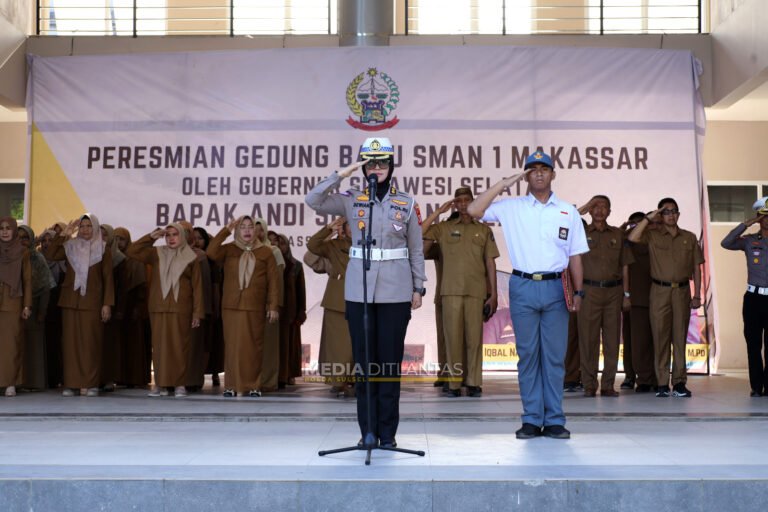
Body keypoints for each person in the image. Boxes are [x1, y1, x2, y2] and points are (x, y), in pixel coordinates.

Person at [306, 136, 426, 449]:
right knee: (364, 365)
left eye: (382, 162)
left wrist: (418, 287)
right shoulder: (352, 199)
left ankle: (388, 434)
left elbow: (415, 249)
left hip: (396, 293)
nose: (377, 168)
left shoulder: (407, 203)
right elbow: (313, 199)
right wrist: (344, 172)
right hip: (359, 294)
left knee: (388, 366)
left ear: (392, 165)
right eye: (370, 162)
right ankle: (367, 432)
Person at [468, 150, 588, 440]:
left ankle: (555, 419)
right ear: (525, 176)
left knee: (555, 357)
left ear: (552, 174)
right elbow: (474, 210)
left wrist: (580, 291)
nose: (538, 173)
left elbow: (575, 257)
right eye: (531, 169)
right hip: (522, 285)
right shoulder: (512, 206)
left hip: (556, 287)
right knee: (528, 356)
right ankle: (532, 419)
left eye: (543, 169)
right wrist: (504, 183)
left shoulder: (567, 211)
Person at [423, 187, 499, 398]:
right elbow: (419, 235)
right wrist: (438, 212)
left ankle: (473, 382)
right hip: (451, 291)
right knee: (452, 338)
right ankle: (453, 383)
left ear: (474, 203)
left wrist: (493, 294)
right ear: (454, 204)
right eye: (459, 201)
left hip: (476, 292)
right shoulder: (444, 228)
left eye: (467, 200)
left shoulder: (484, 230)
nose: (463, 204)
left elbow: (490, 263)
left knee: (474, 339)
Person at [627, 198, 704, 398]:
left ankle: (679, 382)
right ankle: (662, 383)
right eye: (666, 211)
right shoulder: (652, 235)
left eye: (673, 211)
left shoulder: (689, 236)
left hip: (682, 291)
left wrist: (697, 295)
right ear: (660, 215)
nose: (670, 215)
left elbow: (696, 266)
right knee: (660, 337)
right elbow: (633, 238)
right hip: (659, 291)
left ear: (678, 214)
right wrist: (647, 218)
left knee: (679, 338)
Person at [126, 223, 204, 398]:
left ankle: (179, 384)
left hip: (181, 308)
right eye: (168, 235)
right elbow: (132, 251)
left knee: (179, 347)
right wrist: (151, 237)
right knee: (159, 347)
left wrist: (197, 312)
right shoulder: (156, 254)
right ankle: (160, 384)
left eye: (175, 234)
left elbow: (197, 288)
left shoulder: (191, 257)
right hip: (158, 307)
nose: (171, 238)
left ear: (183, 236)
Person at [207, 215, 280, 397]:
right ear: (237, 230)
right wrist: (226, 230)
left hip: (255, 306)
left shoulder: (266, 252)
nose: (247, 230)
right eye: (242, 227)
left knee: (253, 347)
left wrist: (273, 306)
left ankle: (253, 385)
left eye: (250, 227)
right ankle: (231, 385)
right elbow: (211, 252)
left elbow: (273, 282)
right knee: (232, 347)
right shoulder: (230, 249)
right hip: (231, 306)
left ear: (256, 231)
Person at [44, 214, 114, 397]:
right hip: (70, 301)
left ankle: (90, 384)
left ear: (96, 228)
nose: (84, 229)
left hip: (92, 302)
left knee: (90, 344)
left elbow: (108, 278)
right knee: (70, 344)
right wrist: (65, 234)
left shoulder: (103, 249)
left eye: (89, 226)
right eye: (82, 226)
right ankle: (72, 384)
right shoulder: (70, 246)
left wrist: (107, 303)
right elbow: (50, 254)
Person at [575, 195, 633, 397]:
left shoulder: (618, 234)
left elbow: (625, 266)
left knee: (611, 339)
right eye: (595, 206)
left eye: (604, 207)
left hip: (613, 292)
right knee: (588, 339)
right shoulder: (580, 233)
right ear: (589, 211)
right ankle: (589, 384)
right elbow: (568, 220)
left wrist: (626, 294)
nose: (599, 210)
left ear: (610, 211)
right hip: (588, 291)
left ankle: (608, 383)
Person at [720, 196, 768, 397]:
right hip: (753, 299)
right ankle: (756, 386)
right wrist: (745, 224)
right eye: (764, 216)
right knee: (753, 343)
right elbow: (726, 242)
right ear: (758, 218)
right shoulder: (750, 241)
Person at [306, 218, 355, 396]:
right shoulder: (334, 245)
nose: (353, 227)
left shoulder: (369, 244)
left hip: (363, 298)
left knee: (360, 343)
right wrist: (328, 229)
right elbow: (313, 245)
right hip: (338, 298)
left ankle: (357, 379)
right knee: (337, 345)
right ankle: (338, 381)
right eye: (349, 224)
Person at [18, 225, 55, 391]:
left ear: (31, 240)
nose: (22, 241)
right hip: (14, 308)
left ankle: (34, 382)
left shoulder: (37, 258)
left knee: (33, 346)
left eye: (25, 238)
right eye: (18, 237)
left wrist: (42, 312)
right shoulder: (10, 257)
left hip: (33, 308)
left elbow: (46, 288)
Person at [112, 227, 150, 388]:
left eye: (122, 239)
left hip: (134, 304)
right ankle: (120, 377)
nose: (119, 243)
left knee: (135, 344)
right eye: (116, 239)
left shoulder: (135, 259)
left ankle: (135, 378)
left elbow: (141, 284)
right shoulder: (113, 258)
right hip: (118, 305)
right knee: (120, 344)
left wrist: (138, 307)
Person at [623, 212, 656, 393]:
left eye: (641, 223)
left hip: (658, 296)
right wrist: (626, 294)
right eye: (634, 224)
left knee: (655, 341)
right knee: (637, 342)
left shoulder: (654, 240)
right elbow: (625, 269)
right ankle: (640, 377)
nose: (638, 227)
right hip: (636, 298)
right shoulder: (630, 242)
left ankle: (656, 377)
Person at [0, 217, 32, 397]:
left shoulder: (23, 252)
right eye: (1, 228)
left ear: (14, 231)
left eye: (8, 228)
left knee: (12, 344)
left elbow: (27, 280)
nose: (4, 231)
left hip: (13, 301)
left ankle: (10, 382)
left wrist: (27, 305)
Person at [276, 234, 307, 387]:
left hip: (290, 311)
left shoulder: (296, 265)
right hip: (274, 310)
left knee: (289, 345)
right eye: (276, 242)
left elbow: (301, 290)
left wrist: (301, 312)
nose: (279, 246)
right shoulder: (269, 262)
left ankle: (289, 374)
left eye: (282, 243)